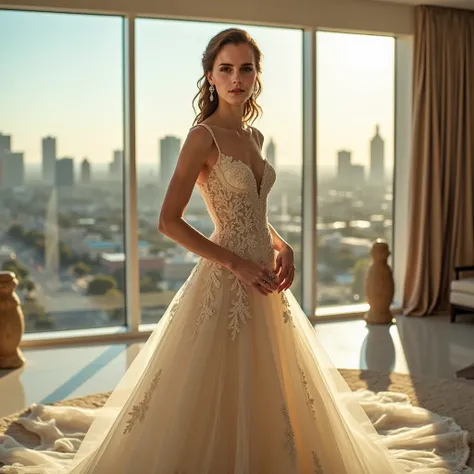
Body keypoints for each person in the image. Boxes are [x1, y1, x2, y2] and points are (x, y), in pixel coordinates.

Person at [0, 27, 471, 474]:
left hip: (264, 274)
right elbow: (169, 221)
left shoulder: (254, 137)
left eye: (246, 69)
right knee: (214, 385)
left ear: (256, 76)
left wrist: (281, 244)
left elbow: (254, 213)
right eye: (226, 69)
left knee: (276, 384)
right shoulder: (202, 137)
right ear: (210, 75)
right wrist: (236, 262)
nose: (236, 79)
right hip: (227, 274)